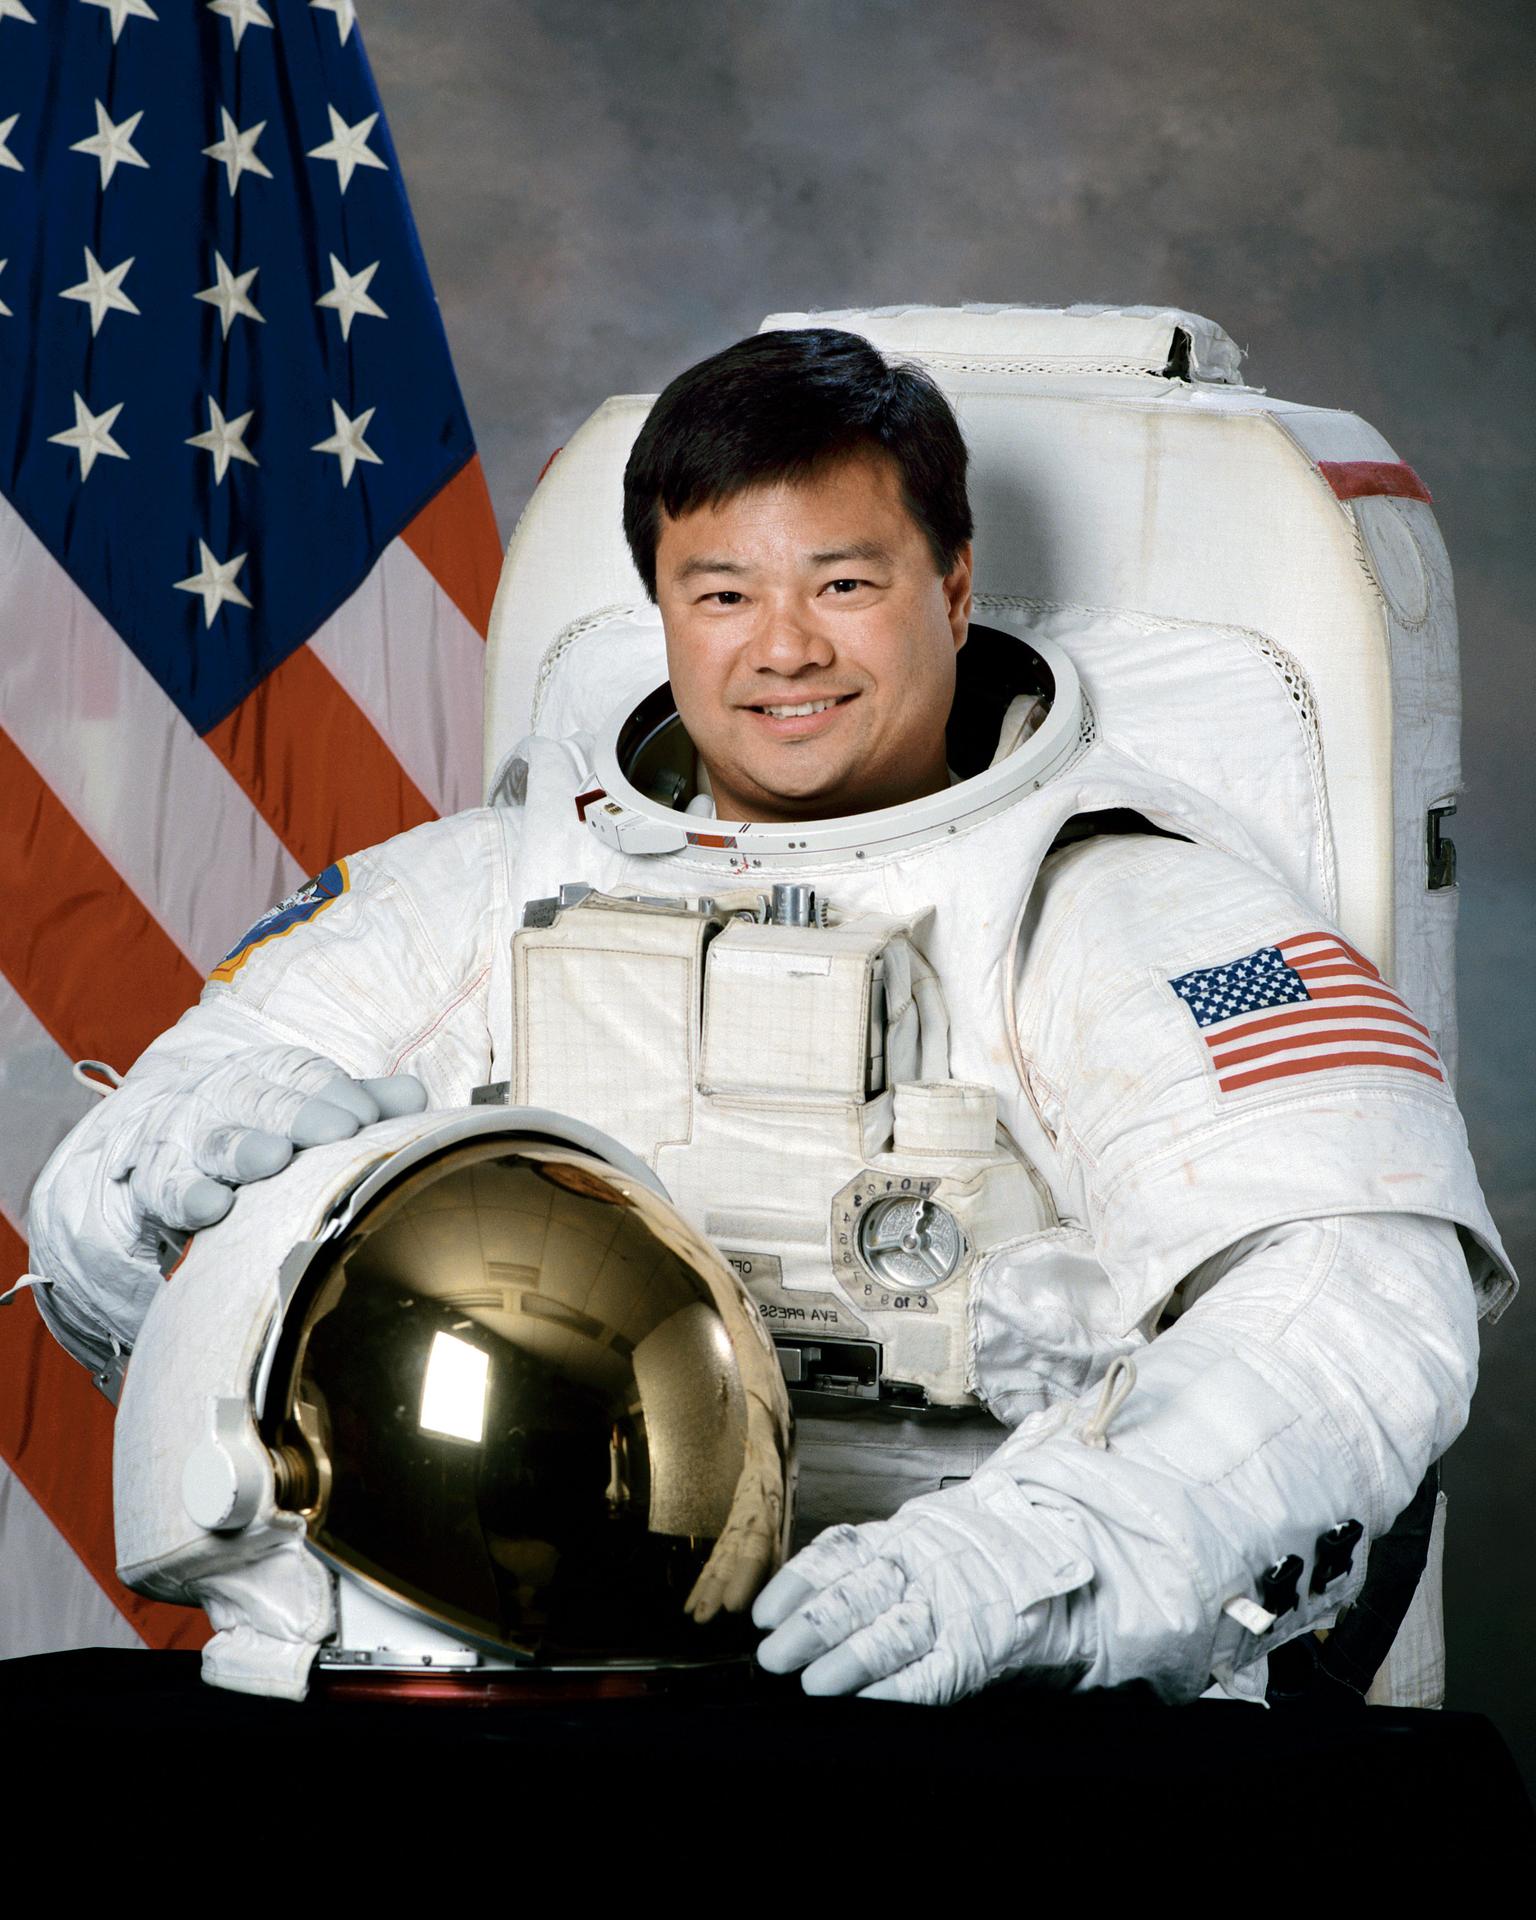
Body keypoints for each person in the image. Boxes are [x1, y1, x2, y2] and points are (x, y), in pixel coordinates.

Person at [26, 327, 1514, 1707]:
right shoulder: (484, 885)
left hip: (979, 1688)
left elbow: (1359, 1302)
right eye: (723, 593)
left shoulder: (1126, 907)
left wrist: (1044, 1562)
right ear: (662, 608)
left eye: (844, 584)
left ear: (952, 587)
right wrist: (156, 1181)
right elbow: (112, 1236)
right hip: (508, 1655)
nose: (782, 649)